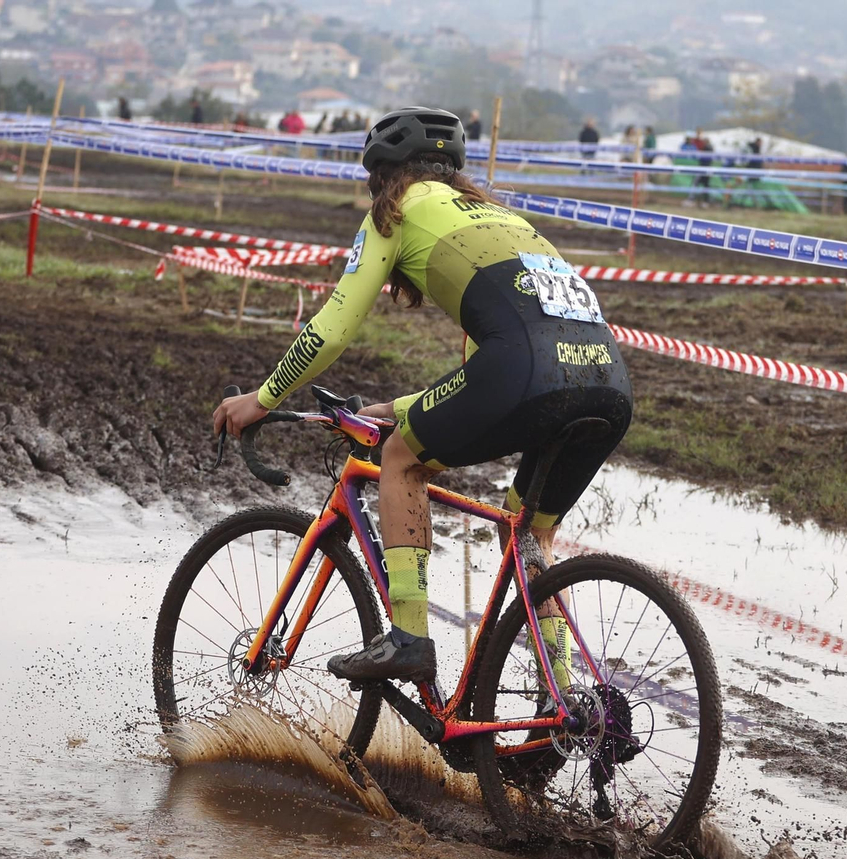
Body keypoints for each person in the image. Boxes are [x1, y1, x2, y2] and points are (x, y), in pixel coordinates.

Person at [211, 107, 631, 685]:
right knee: (530, 531)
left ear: (383, 174)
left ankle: (409, 638)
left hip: (528, 371)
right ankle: (564, 707)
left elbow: (335, 325)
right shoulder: (501, 216)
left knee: (401, 458)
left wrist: (263, 398)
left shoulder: (396, 210)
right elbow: (481, 382)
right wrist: (386, 411)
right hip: (608, 380)